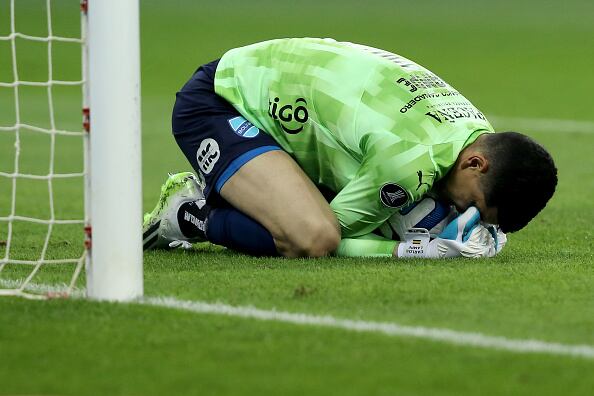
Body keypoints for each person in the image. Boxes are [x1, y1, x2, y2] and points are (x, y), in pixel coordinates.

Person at [143, 38, 557, 259]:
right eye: (475, 208)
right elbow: (336, 236)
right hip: (223, 101)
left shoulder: (475, 129)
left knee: (398, 211)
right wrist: (411, 249)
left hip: (273, 87)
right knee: (312, 235)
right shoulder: (409, 161)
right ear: (477, 162)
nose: (464, 214)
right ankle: (190, 213)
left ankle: (248, 188)